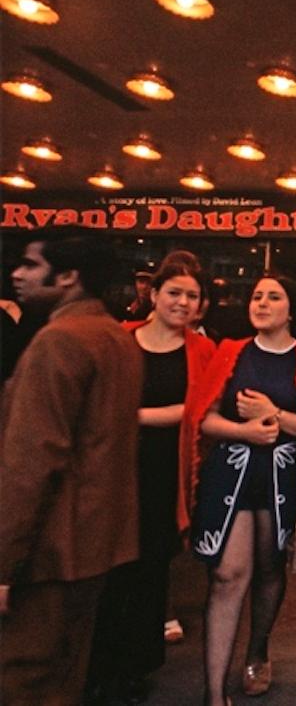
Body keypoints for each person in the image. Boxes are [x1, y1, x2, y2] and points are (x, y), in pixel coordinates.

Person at [0, 233, 144, 705]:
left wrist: (4, 564)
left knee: (22, 680)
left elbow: (30, 464)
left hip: (49, 548)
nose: (17, 275)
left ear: (67, 277)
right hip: (98, 542)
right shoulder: (116, 338)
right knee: (65, 677)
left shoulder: (59, 340)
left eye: (30, 265)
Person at [188, 274, 296, 705]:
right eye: (256, 296)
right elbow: (204, 417)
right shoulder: (230, 352)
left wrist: (276, 415)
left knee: (270, 570)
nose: (262, 303)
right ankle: (213, 694)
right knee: (227, 575)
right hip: (230, 477)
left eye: (274, 297)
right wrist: (243, 430)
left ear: (295, 310)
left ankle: (258, 648)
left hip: (281, 482)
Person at [87, 259, 218, 704]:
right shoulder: (120, 338)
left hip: (167, 470)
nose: (183, 302)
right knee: (108, 570)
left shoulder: (203, 352)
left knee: (151, 570)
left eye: (192, 296)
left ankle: (134, 668)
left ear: (202, 305)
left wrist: (135, 416)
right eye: (175, 293)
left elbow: (201, 408)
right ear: (155, 294)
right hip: (112, 470)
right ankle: (98, 666)